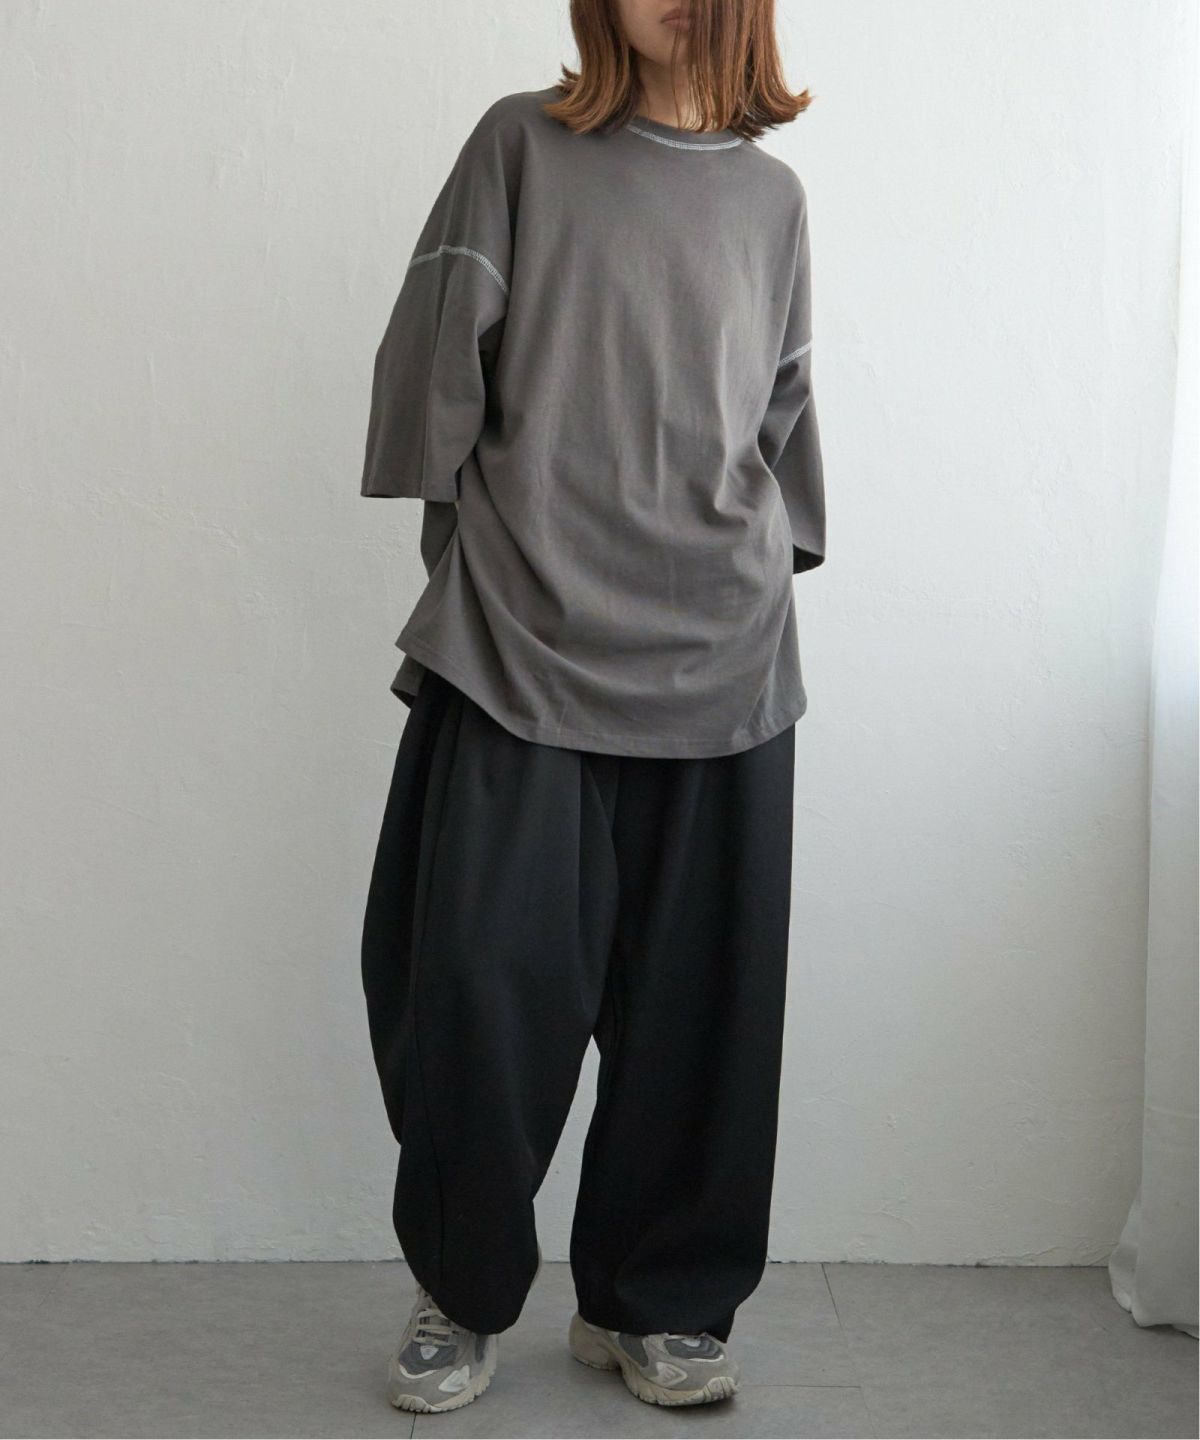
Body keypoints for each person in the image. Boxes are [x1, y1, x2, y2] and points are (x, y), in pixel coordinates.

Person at [358, 0, 825, 1414]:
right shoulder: (521, 147)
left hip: (725, 661)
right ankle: (464, 1288)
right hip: (522, 645)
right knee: (474, 991)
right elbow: (432, 363)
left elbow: (781, 416)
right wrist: (472, 573)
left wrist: (763, 568)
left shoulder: (773, 201)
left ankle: (657, 1301)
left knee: (702, 1015)